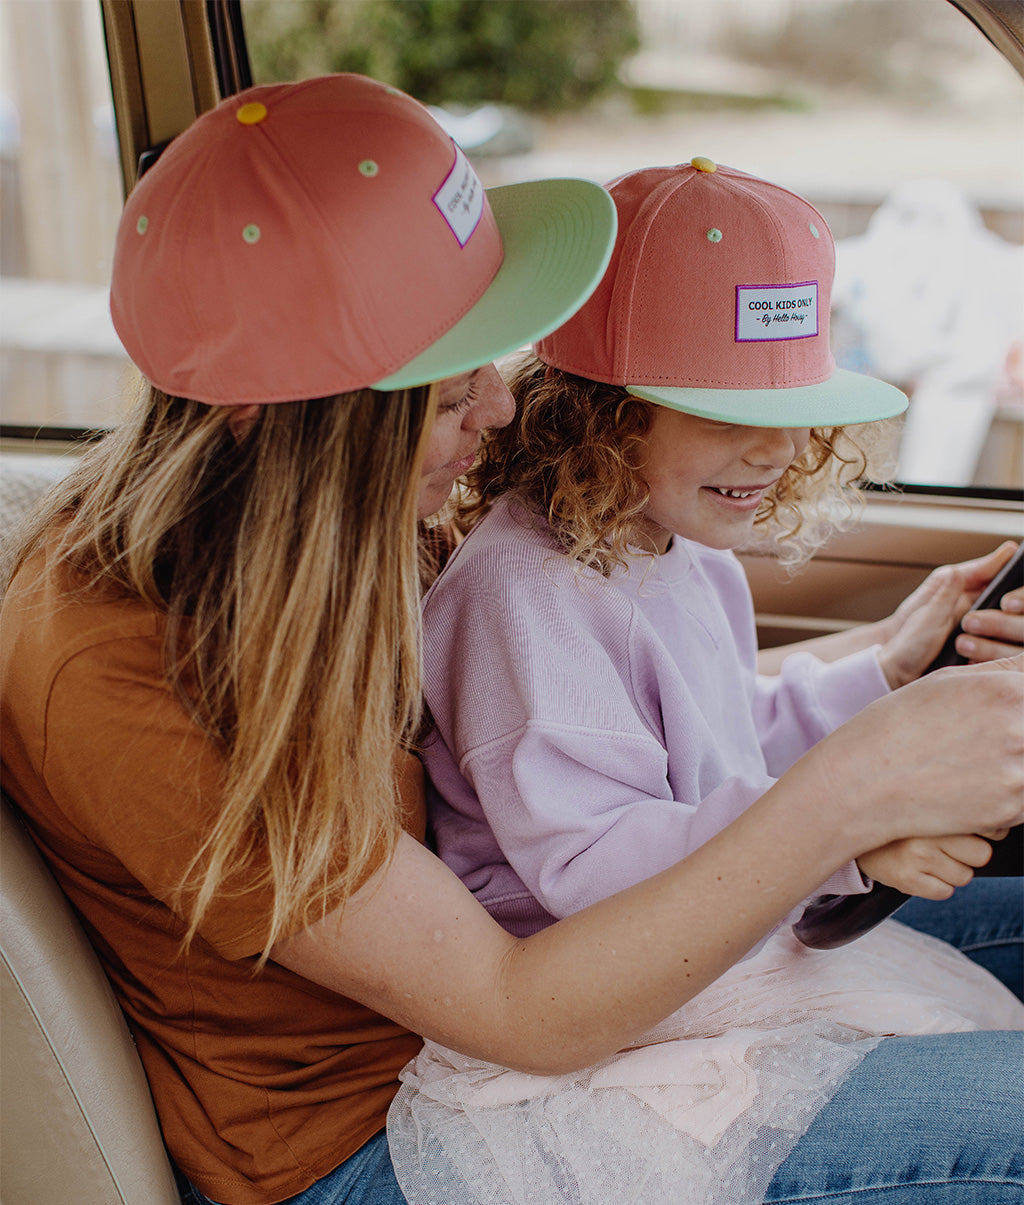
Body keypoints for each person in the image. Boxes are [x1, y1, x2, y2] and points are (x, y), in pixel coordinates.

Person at [0, 82, 1021, 1205]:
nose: (499, 409)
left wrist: (886, 654)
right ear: (282, 423)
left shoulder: (364, 520)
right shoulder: (129, 669)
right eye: (447, 398)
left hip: (546, 1007)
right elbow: (524, 1006)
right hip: (409, 1122)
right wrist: (852, 797)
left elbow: (620, 712)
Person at [395, 159, 1024, 1205]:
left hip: (711, 936)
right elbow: (595, 863)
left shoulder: (679, 550)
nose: (776, 448)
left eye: (797, 410)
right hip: (614, 996)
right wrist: (844, 830)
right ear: (601, 410)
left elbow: (723, 739)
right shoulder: (522, 600)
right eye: (728, 410)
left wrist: (885, 666)